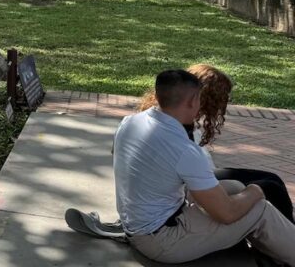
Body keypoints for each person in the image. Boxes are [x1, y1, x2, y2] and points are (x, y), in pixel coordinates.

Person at [114, 69, 295, 265]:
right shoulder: (184, 150)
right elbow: (227, 214)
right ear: (193, 101)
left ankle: (275, 251)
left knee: (235, 187)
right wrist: (257, 190)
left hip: (143, 223)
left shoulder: (130, 122)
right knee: (259, 209)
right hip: (162, 241)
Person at [137, 64, 294, 223]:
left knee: (272, 180)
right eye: (222, 98)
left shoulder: (157, 114)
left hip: (191, 175)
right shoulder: (180, 126)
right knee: (270, 187)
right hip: (188, 183)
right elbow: (192, 169)